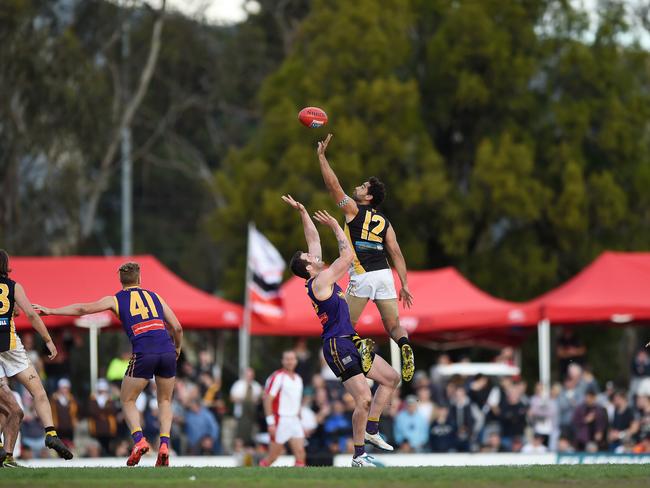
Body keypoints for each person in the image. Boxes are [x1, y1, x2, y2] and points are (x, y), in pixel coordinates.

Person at [282, 194, 400, 467]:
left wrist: (302, 211)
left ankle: (371, 430)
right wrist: (337, 226)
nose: (314, 253)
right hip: (337, 344)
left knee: (391, 378)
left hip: (350, 340)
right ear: (309, 266)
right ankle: (359, 456)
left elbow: (312, 240)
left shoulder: (317, 274)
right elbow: (348, 256)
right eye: (311, 257)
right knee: (363, 398)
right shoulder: (321, 280)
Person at [34, 261, 183, 467]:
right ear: (140, 279)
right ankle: (165, 444)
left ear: (121, 281)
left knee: (128, 399)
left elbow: (83, 308)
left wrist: (51, 310)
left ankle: (139, 441)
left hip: (144, 352)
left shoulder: (115, 299)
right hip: (166, 350)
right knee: (165, 401)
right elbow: (177, 327)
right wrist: (177, 348)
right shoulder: (155, 296)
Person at [315, 134, 415, 382]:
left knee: (344, 326)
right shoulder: (385, 222)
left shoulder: (353, 210)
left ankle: (363, 346)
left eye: (362, 187)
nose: (358, 187)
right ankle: (404, 343)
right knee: (393, 326)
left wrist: (322, 158)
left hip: (362, 276)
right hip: (385, 276)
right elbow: (397, 253)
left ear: (368, 198)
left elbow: (333, 187)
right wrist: (404, 284)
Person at [0, 249, 72, 461]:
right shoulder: (13, 286)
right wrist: (48, 340)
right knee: (37, 393)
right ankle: (50, 432)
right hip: (10, 345)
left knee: (8, 407)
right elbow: (30, 313)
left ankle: (7, 456)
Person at [260, 350, 306, 467]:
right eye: (287, 359)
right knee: (273, 456)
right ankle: (259, 472)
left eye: (292, 359)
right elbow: (268, 399)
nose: (290, 362)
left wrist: (299, 415)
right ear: (282, 361)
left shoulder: (298, 379)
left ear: (296, 361)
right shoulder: (278, 377)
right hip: (280, 419)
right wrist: (270, 423)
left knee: (300, 453)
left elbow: (296, 400)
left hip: (294, 420)